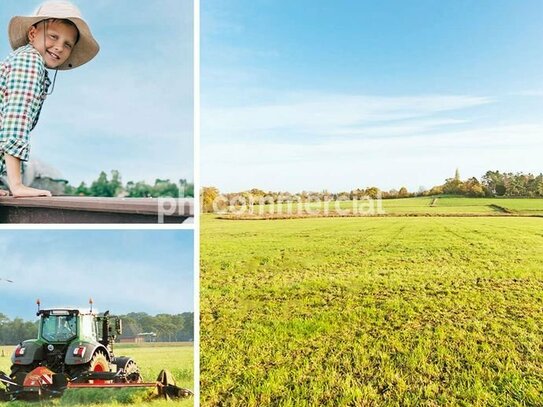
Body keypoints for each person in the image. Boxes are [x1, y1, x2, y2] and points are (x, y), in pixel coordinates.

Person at [0, 1, 99, 197]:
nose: (59, 47)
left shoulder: (24, 59)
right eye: (53, 36)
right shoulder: (29, 61)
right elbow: (15, 120)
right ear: (32, 34)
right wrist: (17, 185)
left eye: (67, 44)